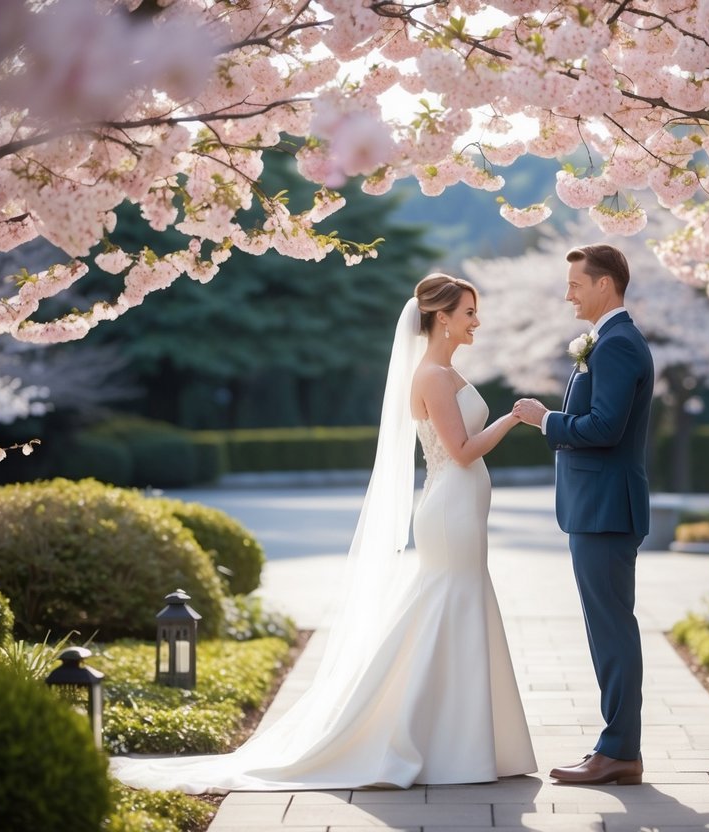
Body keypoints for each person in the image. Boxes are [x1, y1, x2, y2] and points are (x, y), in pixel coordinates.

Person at [111, 274, 536, 793]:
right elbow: (463, 450)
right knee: (446, 605)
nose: (477, 321)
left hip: (462, 509)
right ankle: (425, 738)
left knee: (458, 607)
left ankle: (466, 742)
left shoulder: (447, 371)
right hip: (449, 510)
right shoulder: (430, 376)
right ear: (442, 317)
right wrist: (514, 418)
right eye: (469, 311)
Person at [513, 244, 654, 787]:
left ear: (604, 285)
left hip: (605, 511)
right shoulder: (609, 340)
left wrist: (545, 420)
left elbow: (602, 428)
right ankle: (617, 747)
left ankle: (618, 751)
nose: (568, 292)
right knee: (607, 629)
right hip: (596, 509)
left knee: (613, 630)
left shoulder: (617, 345)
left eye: (576, 282)